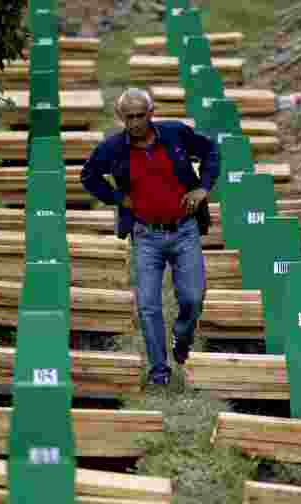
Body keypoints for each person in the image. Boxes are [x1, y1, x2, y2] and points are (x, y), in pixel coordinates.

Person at [81, 88, 220, 387]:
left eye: (140, 116)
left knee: (193, 297)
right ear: (120, 117)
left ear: (151, 113)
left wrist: (203, 187)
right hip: (146, 235)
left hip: (184, 230)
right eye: (128, 117)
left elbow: (210, 151)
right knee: (148, 304)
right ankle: (159, 370)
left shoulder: (175, 135)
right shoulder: (113, 149)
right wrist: (118, 198)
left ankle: (182, 336)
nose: (134, 123)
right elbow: (89, 176)